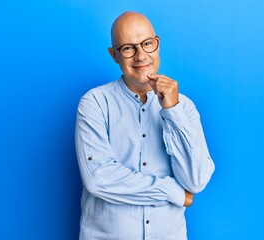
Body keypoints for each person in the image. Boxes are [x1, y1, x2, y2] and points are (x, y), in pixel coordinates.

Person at [75, 11, 215, 240]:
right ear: (114, 55)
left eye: (147, 44)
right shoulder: (94, 103)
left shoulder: (184, 107)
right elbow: (98, 177)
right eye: (129, 48)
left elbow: (196, 180)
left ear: (157, 45)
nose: (141, 56)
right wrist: (172, 192)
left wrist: (172, 111)